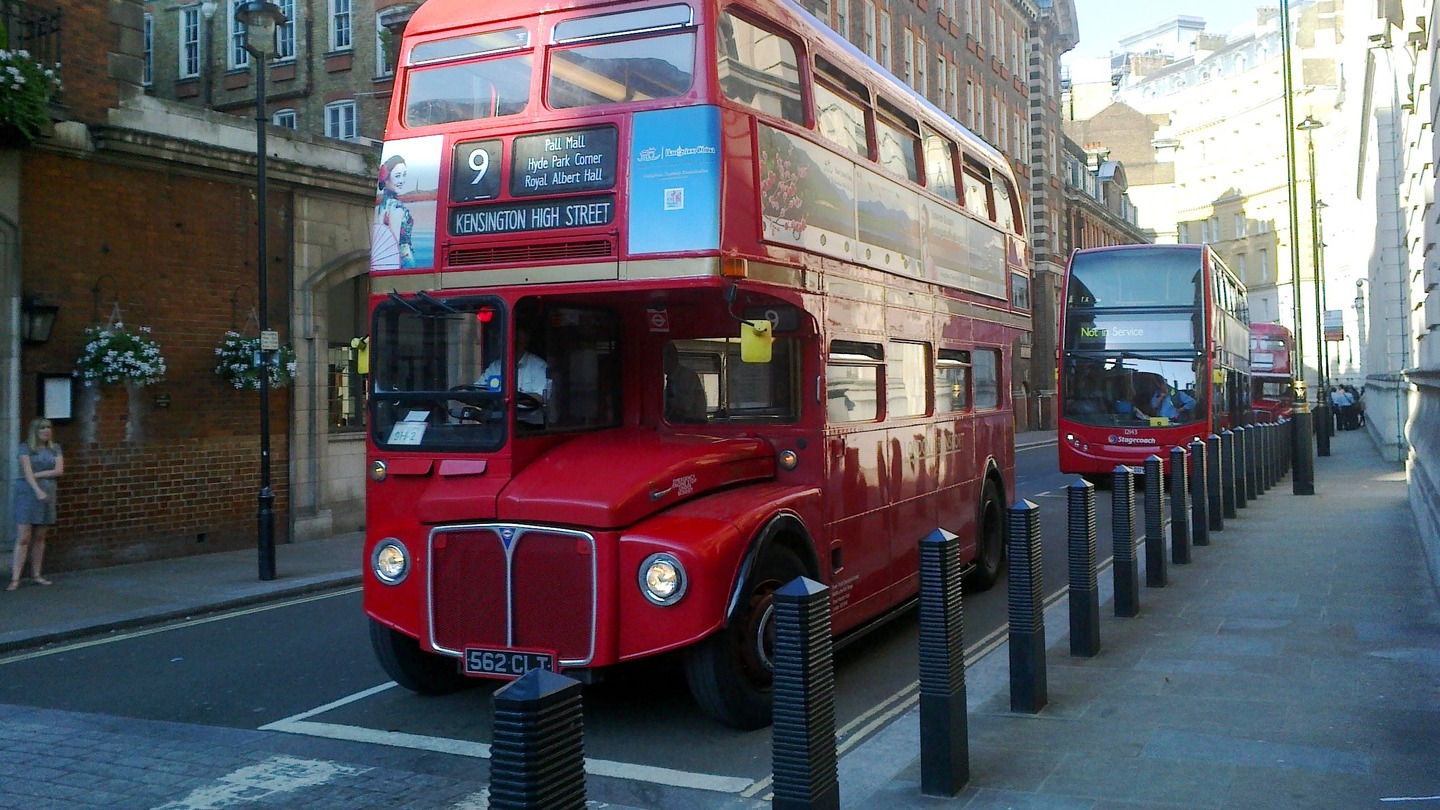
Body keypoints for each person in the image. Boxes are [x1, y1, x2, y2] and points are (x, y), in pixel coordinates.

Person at [10, 418, 62, 591]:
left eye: (48, 428)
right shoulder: (25, 448)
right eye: (42, 428)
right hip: (27, 493)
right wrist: (37, 489)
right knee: (23, 537)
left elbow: (59, 470)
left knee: (40, 537)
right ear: (35, 431)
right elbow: (27, 473)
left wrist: (38, 475)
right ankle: (15, 578)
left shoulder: (55, 448)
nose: (46, 431)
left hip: (48, 493)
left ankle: (37, 575)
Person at [481, 326, 549, 426]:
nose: (500, 343)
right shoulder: (495, 367)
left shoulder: (538, 366)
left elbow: (541, 397)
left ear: (523, 342)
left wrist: (514, 398)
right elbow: (479, 389)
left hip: (529, 426)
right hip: (498, 424)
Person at [375, 154, 416, 269]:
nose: (402, 180)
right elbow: (394, 246)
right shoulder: (397, 207)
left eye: (404, 175)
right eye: (397, 176)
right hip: (405, 261)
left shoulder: (381, 206)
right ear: (386, 179)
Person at [664, 344, 708, 423]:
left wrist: (665, 420)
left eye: (663, 358)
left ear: (671, 358)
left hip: (693, 423)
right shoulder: (671, 379)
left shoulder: (686, 376)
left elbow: (684, 407)